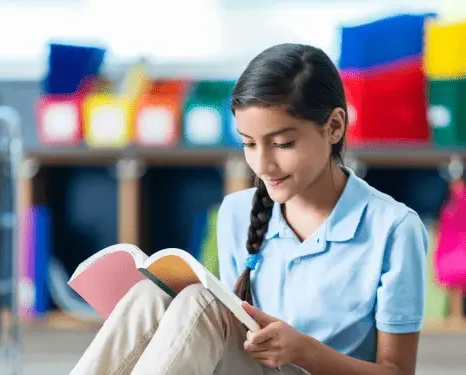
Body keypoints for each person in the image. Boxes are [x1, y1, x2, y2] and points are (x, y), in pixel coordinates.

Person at [69, 43, 428, 375]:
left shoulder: (394, 228)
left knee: (201, 305)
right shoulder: (236, 213)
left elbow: (396, 371)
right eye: (249, 144)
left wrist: (303, 350)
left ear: (334, 126)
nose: (263, 164)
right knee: (151, 294)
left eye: (283, 143)